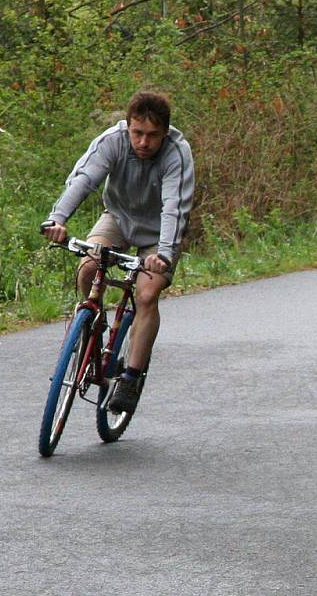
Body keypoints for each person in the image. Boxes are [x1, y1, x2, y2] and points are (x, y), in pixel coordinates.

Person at [42, 91, 194, 413]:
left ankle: (130, 376)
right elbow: (84, 180)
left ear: (165, 133)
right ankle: (91, 328)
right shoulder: (112, 141)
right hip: (119, 218)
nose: (143, 142)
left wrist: (163, 254)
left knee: (147, 294)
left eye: (152, 135)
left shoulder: (176, 154)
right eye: (137, 133)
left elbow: (173, 208)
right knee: (87, 267)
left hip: (158, 235)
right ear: (128, 127)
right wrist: (57, 219)